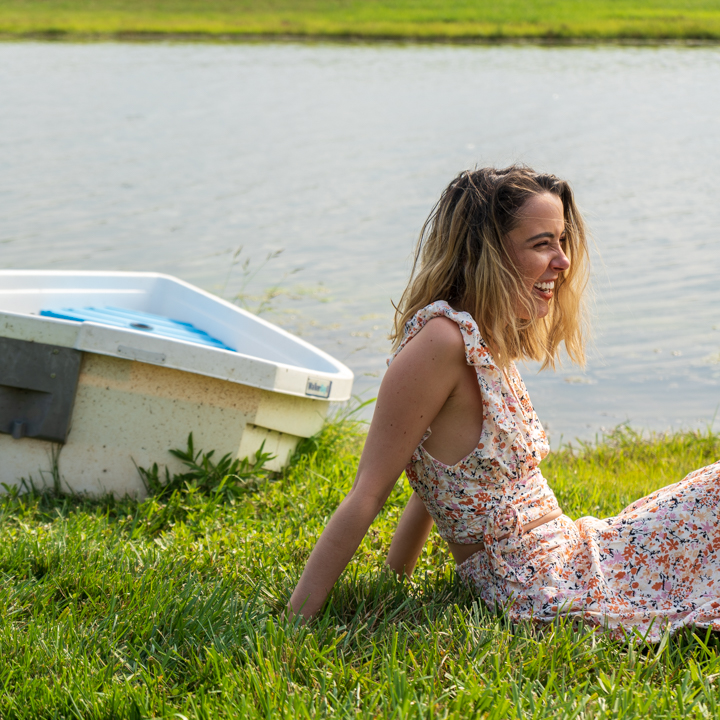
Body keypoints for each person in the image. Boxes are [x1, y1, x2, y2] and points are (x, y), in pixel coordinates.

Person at [289, 165, 720, 641]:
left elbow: (439, 480)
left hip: (569, 553)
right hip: (540, 586)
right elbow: (368, 492)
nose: (563, 261)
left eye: (562, 241)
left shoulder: (479, 338)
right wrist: (295, 623)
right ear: (486, 250)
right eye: (542, 244)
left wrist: (397, 582)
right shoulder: (441, 342)